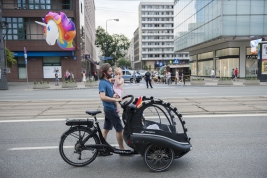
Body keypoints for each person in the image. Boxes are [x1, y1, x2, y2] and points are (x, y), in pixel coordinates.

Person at [99, 63, 125, 151]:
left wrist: (114, 96)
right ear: (104, 72)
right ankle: (122, 149)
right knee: (119, 129)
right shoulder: (102, 83)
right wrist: (115, 100)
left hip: (110, 108)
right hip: (110, 109)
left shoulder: (108, 82)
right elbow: (102, 97)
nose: (111, 73)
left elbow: (110, 94)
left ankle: (101, 148)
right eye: (109, 71)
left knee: (106, 129)